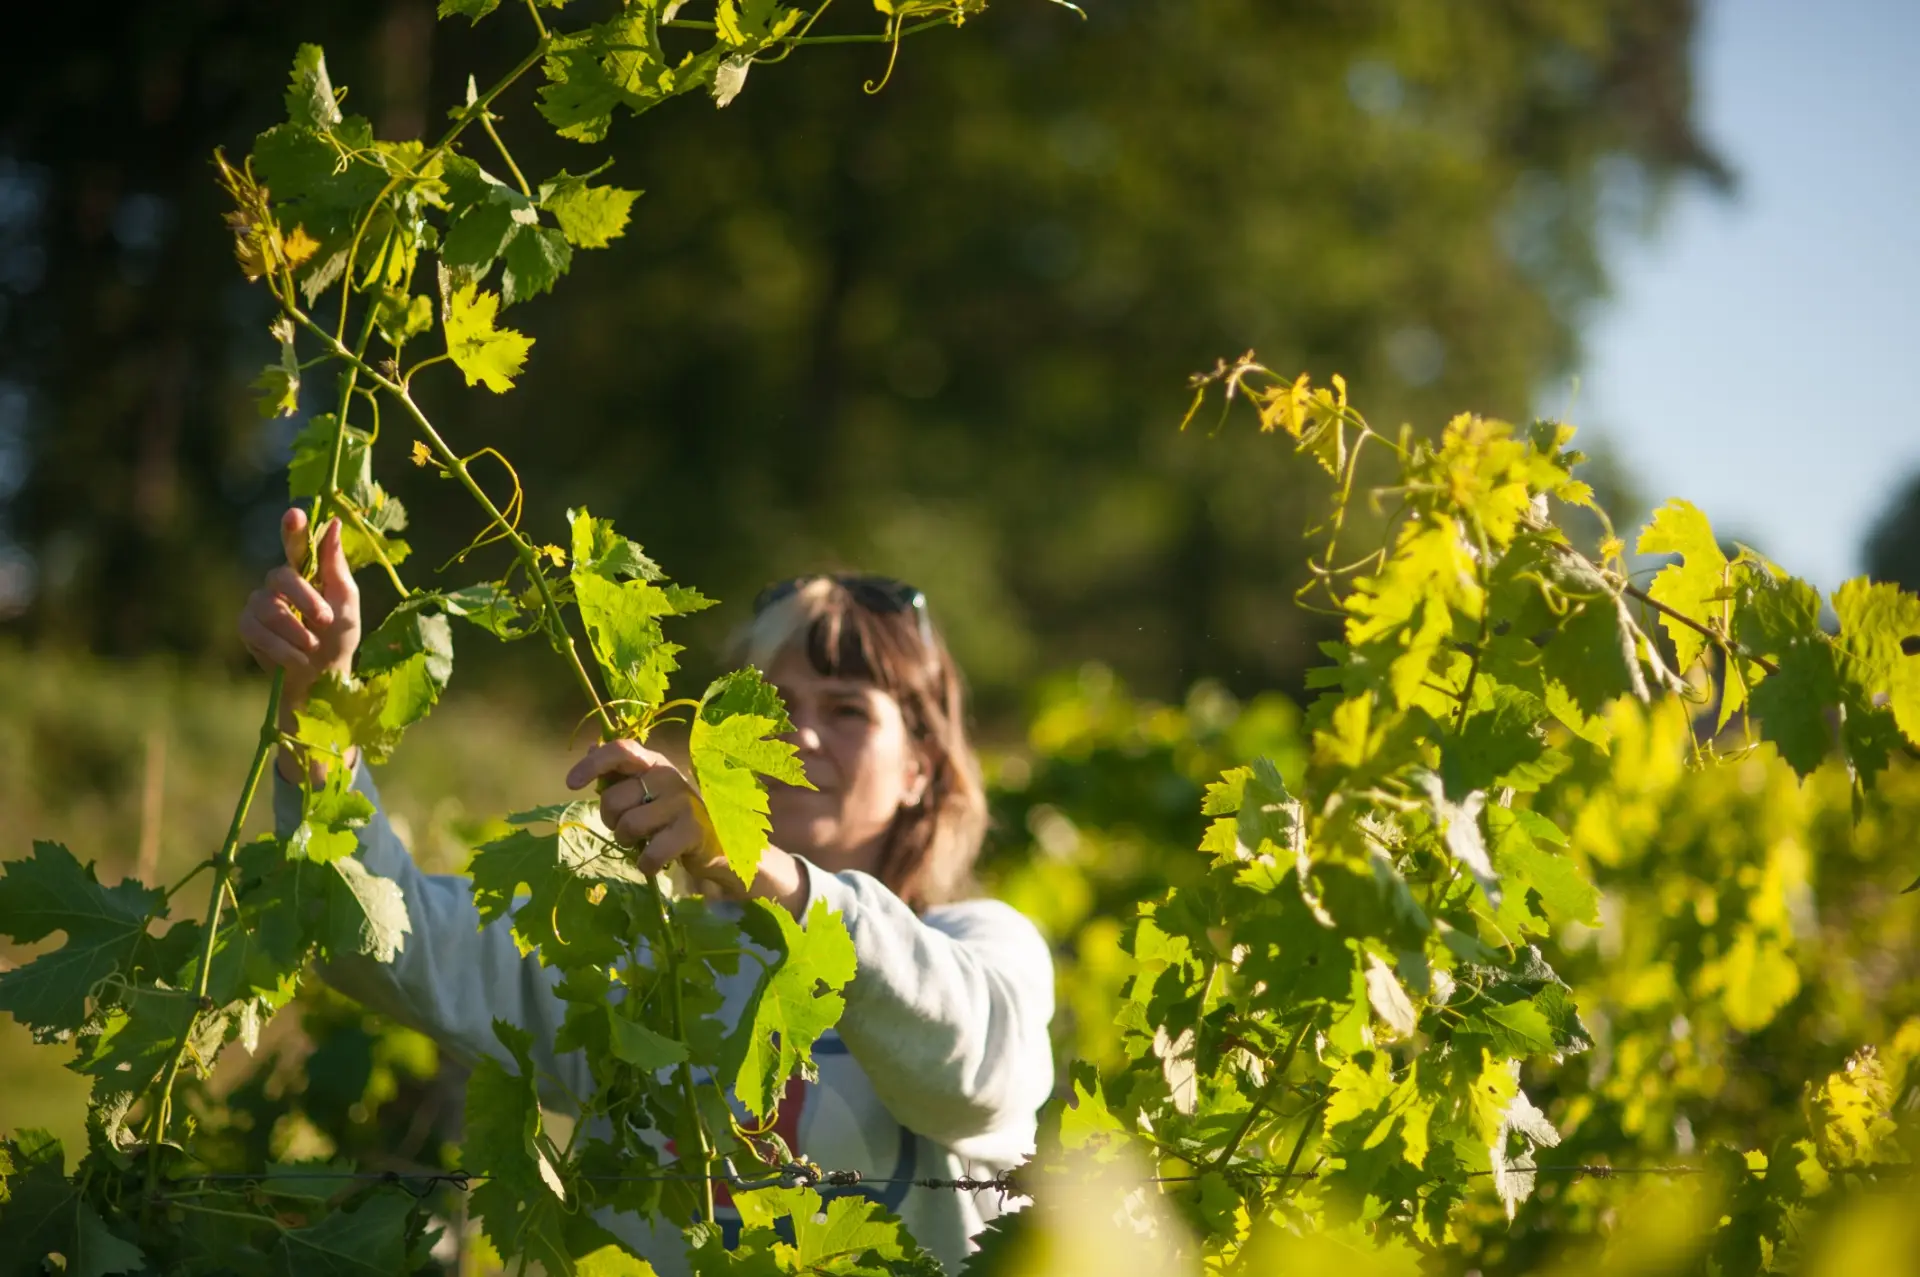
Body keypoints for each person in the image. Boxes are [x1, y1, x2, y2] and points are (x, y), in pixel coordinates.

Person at [237, 508, 1055, 1274]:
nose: (800, 733)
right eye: (772, 704)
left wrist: (762, 868)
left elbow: (970, 1069)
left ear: (920, 767)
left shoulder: (983, 944)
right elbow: (386, 941)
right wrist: (319, 714)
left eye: (847, 709)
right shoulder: (637, 955)